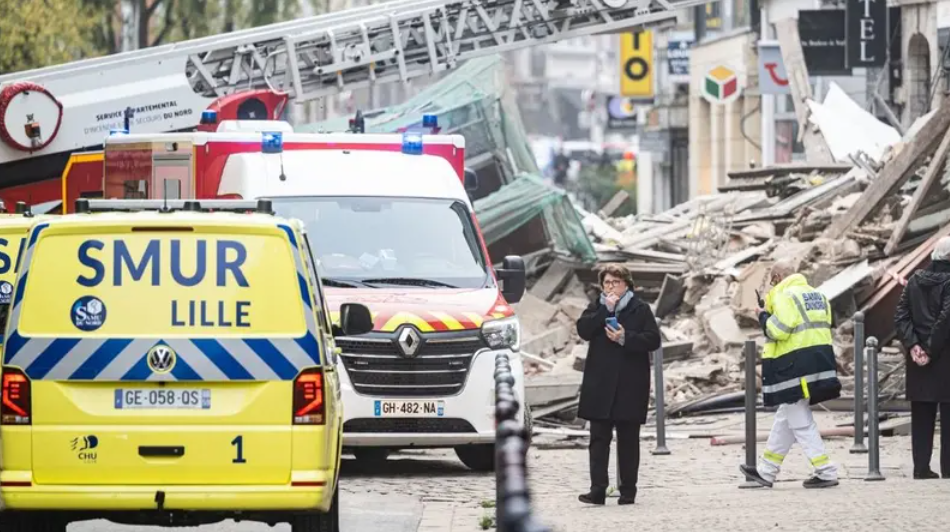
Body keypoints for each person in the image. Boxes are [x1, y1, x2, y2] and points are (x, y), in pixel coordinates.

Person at [740, 260, 842, 489]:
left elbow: (778, 330)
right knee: (785, 417)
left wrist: (763, 316)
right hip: (819, 361)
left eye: (772, 281)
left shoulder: (784, 295)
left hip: (794, 366)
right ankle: (766, 472)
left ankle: (826, 471)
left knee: (799, 420)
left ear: (776, 278)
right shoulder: (817, 295)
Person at [575, 264, 660, 506]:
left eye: (616, 282)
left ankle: (628, 490)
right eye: (607, 283)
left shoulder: (640, 309)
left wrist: (625, 338)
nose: (611, 287)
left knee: (628, 440)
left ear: (627, 285)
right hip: (600, 384)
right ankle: (598, 489)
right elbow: (584, 329)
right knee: (598, 439)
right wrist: (605, 310)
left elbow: (653, 339)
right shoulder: (596, 306)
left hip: (629, 384)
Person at [894, 236, 950, 479]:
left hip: (918, 361)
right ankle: (948, 469)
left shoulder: (914, 281)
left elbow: (901, 316)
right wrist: (930, 348)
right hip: (945, 357)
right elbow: (946, 320)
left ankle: (921, 468)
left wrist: (914, 345)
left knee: (921, 416)